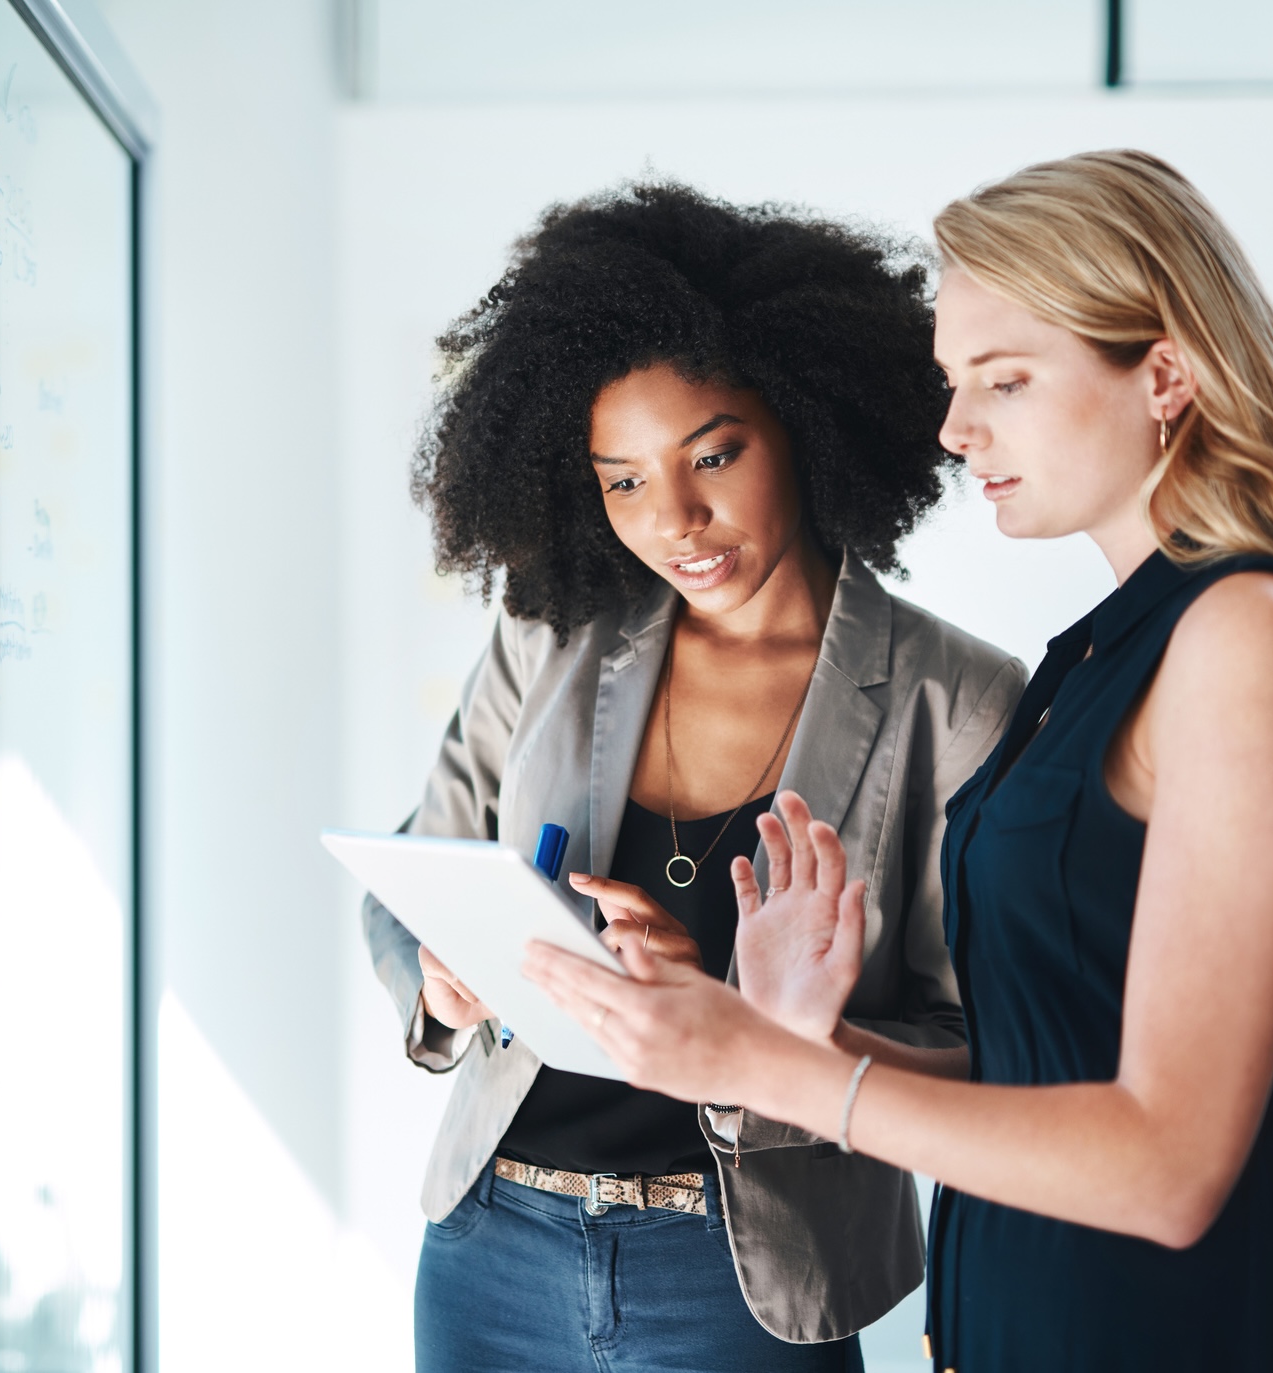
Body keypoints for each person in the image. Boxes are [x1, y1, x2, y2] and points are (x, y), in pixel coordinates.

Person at [525, 150, 1273, 1372]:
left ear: (1166, 374)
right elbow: (1041, 1063)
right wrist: (801, 1034)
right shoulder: (1096, 652)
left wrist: (763, 1067)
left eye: (1004, 381)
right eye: (950, 382)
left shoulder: (1250, 636)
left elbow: (1169, 1167)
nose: (954, 427)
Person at [361, 182, 1026, 1372]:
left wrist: (739, 1014)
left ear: (804, 421)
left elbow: (981, 1039)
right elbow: (412, 871)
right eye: (621, 479)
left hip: (741, 1270)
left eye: (712, 453)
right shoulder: (550, 633)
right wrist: (442, 981)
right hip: (490, 1241)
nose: (673, 518)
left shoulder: (955, 700)